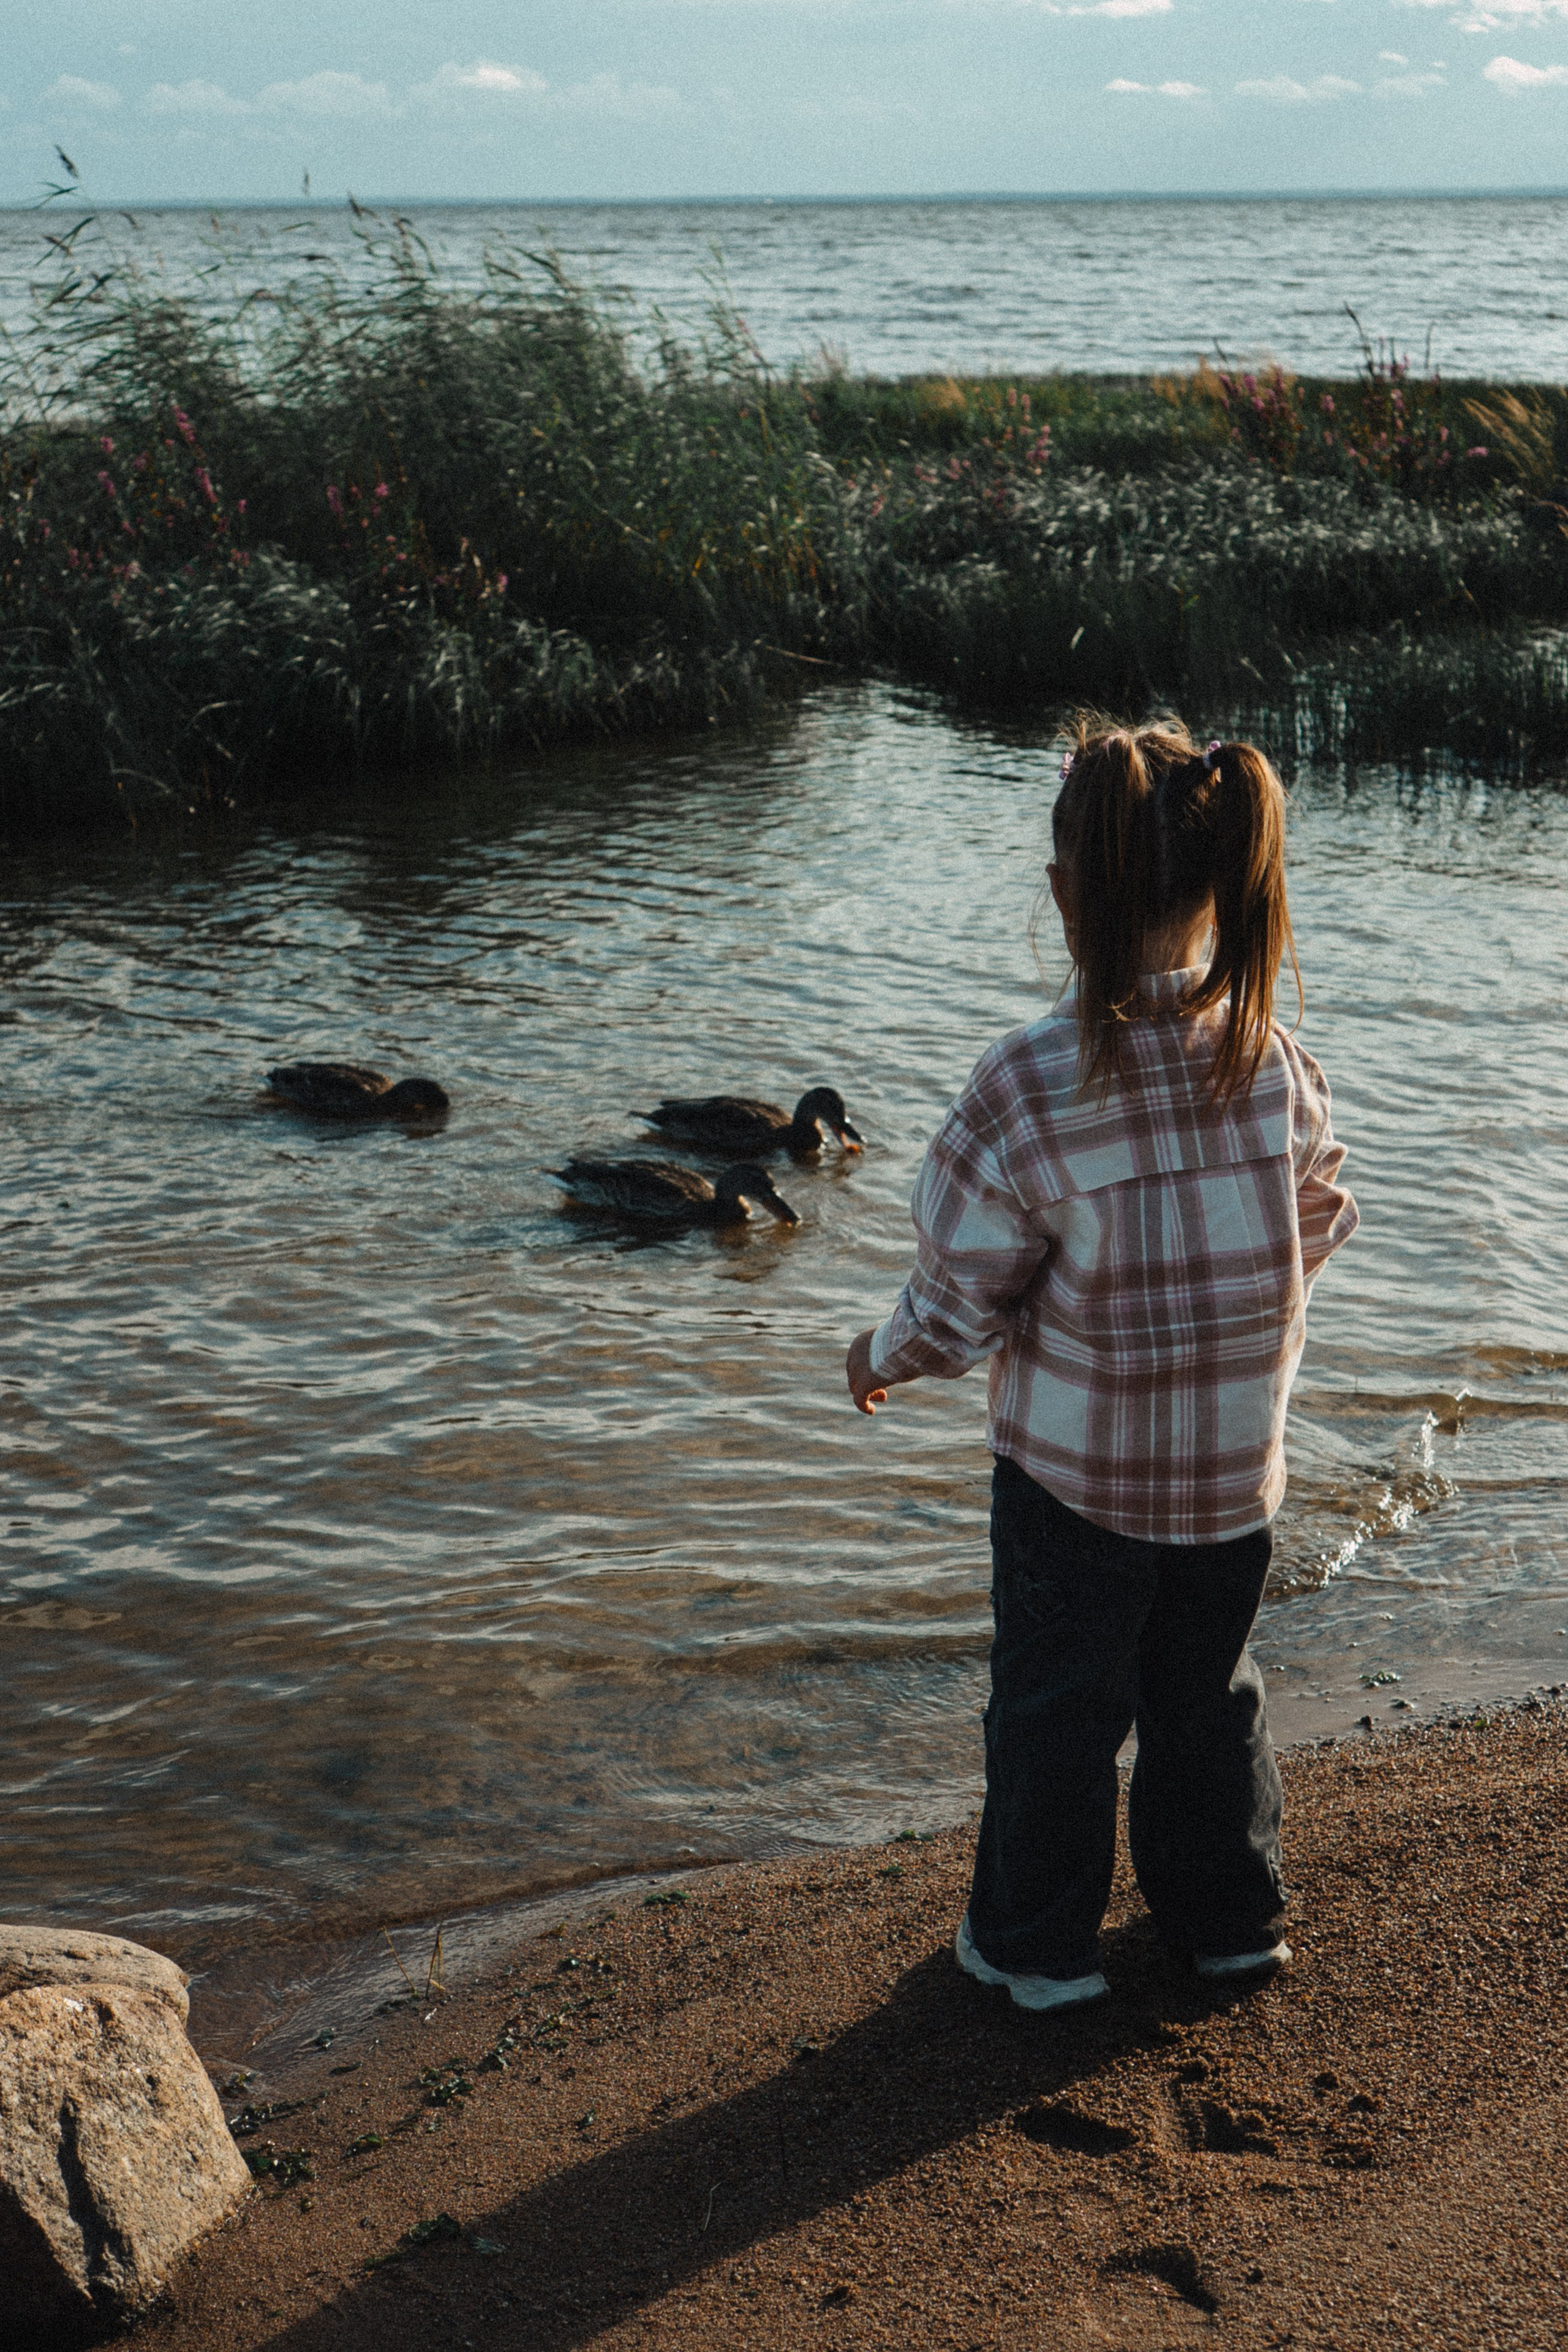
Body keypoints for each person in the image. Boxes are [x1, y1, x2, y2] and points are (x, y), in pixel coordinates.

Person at [845, 716, 1358, 2013]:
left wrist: (878, 1355)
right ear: (1215, 887)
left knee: (1055, 1715)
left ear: (1066, 894)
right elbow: (1319, 1218)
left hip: (1075, 1493)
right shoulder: (1271, 1061)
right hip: (1236, 1481)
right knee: (1205, 1699)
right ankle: (1228, 1924)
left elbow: (959, 1300)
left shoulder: (1023, 1086)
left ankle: (1034, 1948)